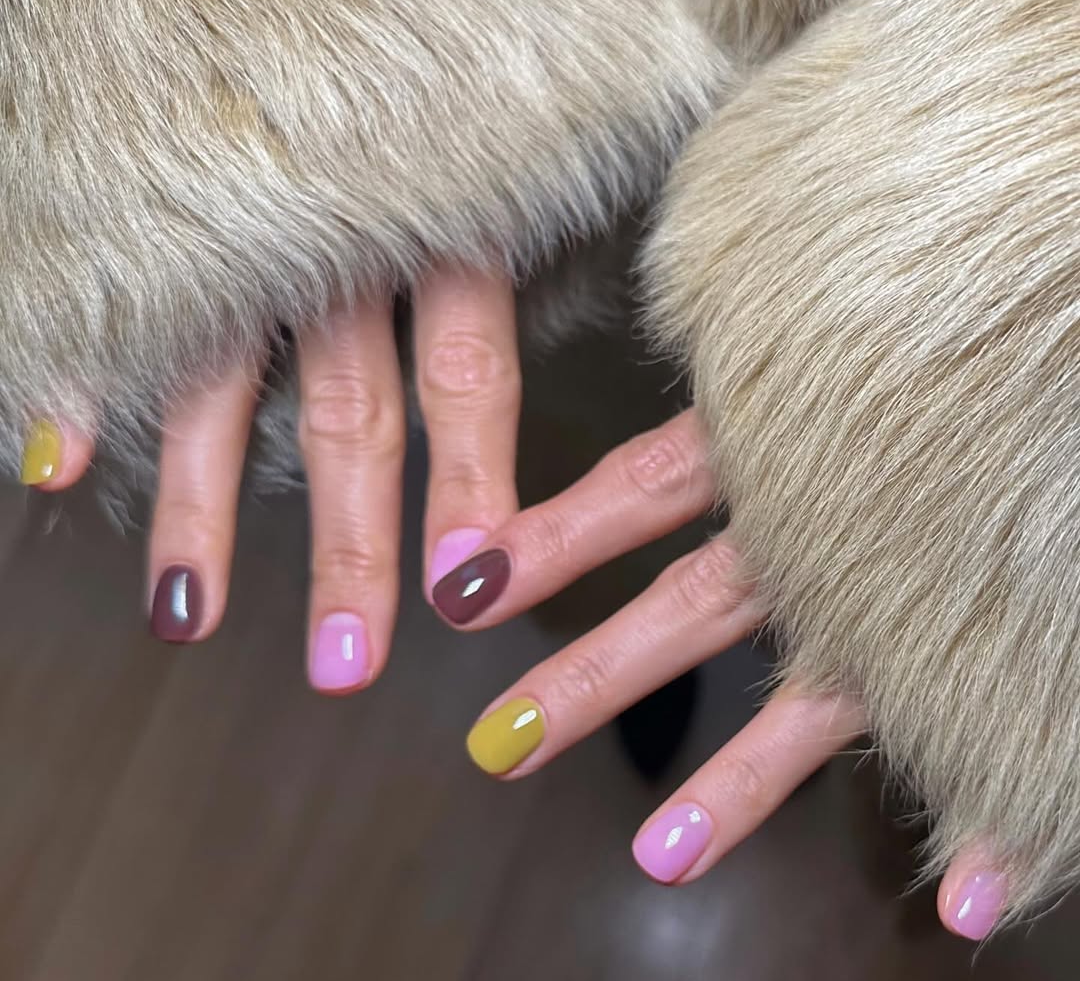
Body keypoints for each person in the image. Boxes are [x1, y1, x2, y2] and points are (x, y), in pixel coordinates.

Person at [20, 268, 1006, 942]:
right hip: (618, 81)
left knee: (928, 606)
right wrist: (341, 79)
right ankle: (662, 664)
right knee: (585, 479)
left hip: (954, 187)